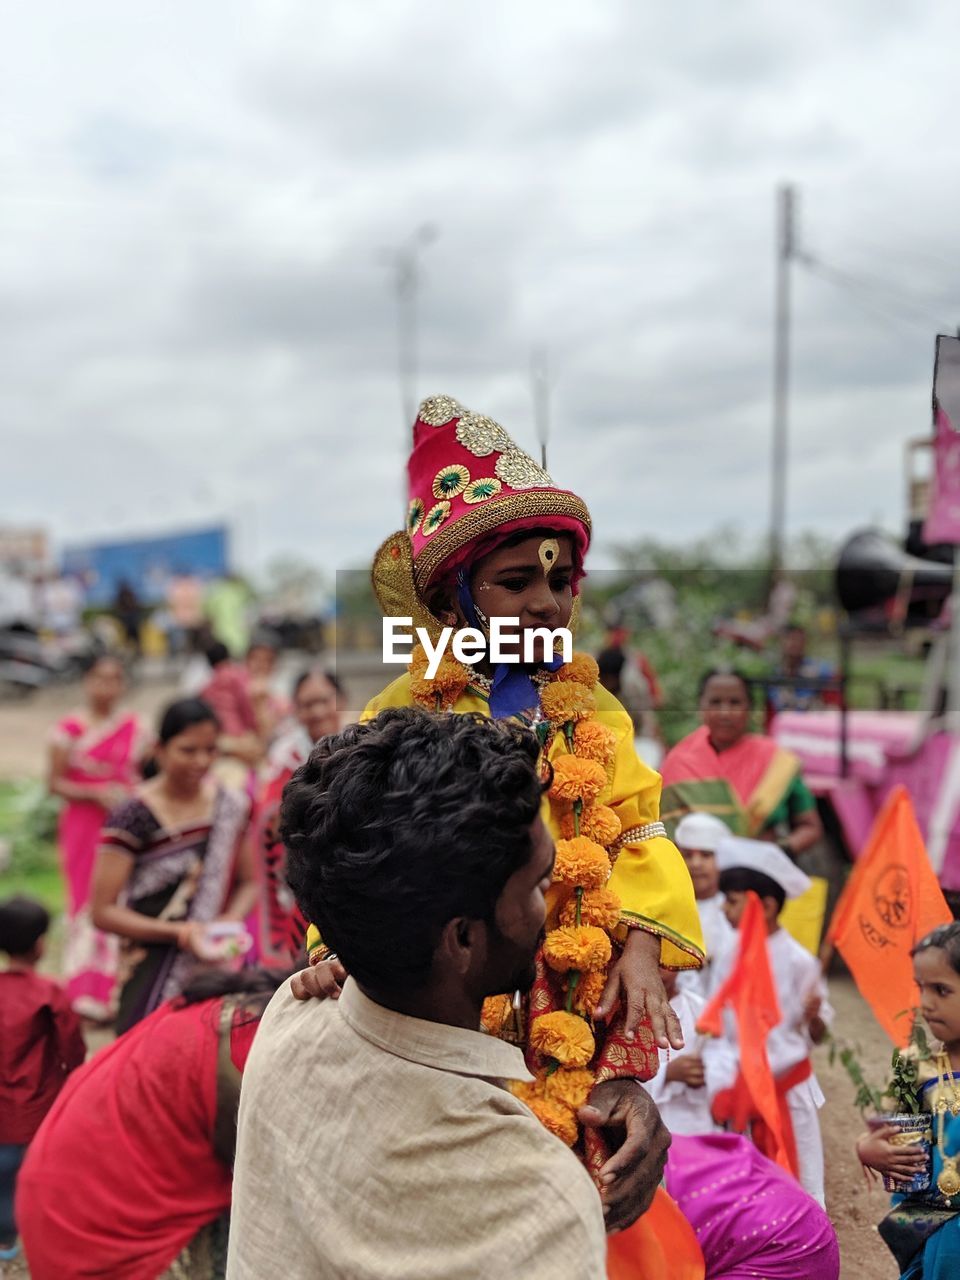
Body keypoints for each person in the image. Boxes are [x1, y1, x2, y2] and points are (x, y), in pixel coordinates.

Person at [228, 708, 609, 1279]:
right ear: (461, 939)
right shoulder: (538, 1201)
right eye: (535, 883)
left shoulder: (293, 1016)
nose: (551, 892)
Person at [17, 968, 287, 1280]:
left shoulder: (222, 1011)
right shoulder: (248, 1043)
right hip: (100, 1238)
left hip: (57, 1206)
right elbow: (264, 1180)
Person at [91, 697, 258, 1033]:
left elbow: (250, 881)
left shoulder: (230, 804)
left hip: (212, 965)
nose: (201, 761)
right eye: (188, 750)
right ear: (160, 749)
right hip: (149, 966)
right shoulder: (133, 815)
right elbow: (102, 911)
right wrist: (180, 934)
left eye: (211, 750)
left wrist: (229, 919)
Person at [660, 668, 825, 954]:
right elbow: (661, 833)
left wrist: (780, 850)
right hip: (692, 895)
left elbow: (810, 825)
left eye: (735, 703)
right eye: (716, 702)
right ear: (701, 706)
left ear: (750, 708)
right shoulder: (678, 763)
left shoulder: (777, 763)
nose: (725, 712)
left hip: (759, 890)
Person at [705, 837, 832, 1206]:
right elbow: (722, 1027)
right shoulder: (730, 955)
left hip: (785, 1090)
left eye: (732, 900)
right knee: (745, 1183)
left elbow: (817, 1031)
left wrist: (813, 1018)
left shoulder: (799, 961)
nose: (725, 910)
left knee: (798, 1176)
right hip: (739, 1085)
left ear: (767, 905)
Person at [857, 922, 960, 1277]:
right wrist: (867, 1149)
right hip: (932, 1234)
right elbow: (886, 1128)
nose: (926, 1004)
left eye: (942, 990)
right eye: (921, 988)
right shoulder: (916, 1065)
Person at [48, 653, 143, 1020]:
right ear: (87, 680)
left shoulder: (136, 728)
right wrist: (94, 793)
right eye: (100, 678)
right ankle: (83, 989)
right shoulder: (67, 731)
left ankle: (111, 989)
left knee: (118, 896)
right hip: (82, 826)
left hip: (120, 826)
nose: (108, 686)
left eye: (115, 678)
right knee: (84, 900)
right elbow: (54, 782)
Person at [0, 897, 86, 1263]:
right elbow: (71, 1049)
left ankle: (4, 1240)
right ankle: (27, 1234)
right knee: (31, 1172)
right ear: (40, 945)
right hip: (35, 1105)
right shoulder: (49, 993)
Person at [254, 669, 344, 966]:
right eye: (307, 704)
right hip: (299, 870)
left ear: (341, 700)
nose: (317, 712)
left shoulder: (362, 742)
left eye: (323, 700)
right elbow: (270, 817)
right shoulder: (284, 757)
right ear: (296, 710)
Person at [645, 967, 717, 1136]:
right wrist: (666, 1073)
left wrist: (708, 1072)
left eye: (668, 955)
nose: (659, 962)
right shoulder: (625, 1010)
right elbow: (614, 1074)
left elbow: (726, 1063)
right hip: (644, 1132)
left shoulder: (702, 1010)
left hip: (695, 1129)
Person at [673, 810, 736, 998]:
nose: (696, 864)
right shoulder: (666, 908)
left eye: (706, 855)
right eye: (688, 855)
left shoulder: (734, 911)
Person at [767, 623, 839, 717]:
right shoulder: (773, 677)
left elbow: (834, 708)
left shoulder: (822, 672)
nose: (794, 644)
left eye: (798, 639)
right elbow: (771, 715)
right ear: (781, 642)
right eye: (789, 638)